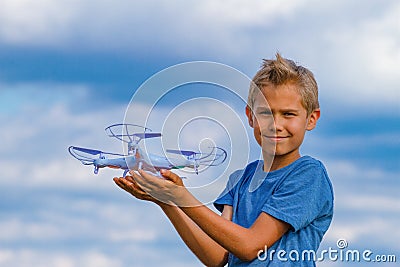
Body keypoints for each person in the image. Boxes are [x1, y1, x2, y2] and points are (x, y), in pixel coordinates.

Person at [113, 53, 334, 266]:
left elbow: (250, 246)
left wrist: (183, 196)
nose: (275, 124)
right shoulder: (240, 179)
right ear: (250, 116)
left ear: (311, 119)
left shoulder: (308, 174)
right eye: (265, 113)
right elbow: (217, 257)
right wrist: (167, 201)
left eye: (288, 114)